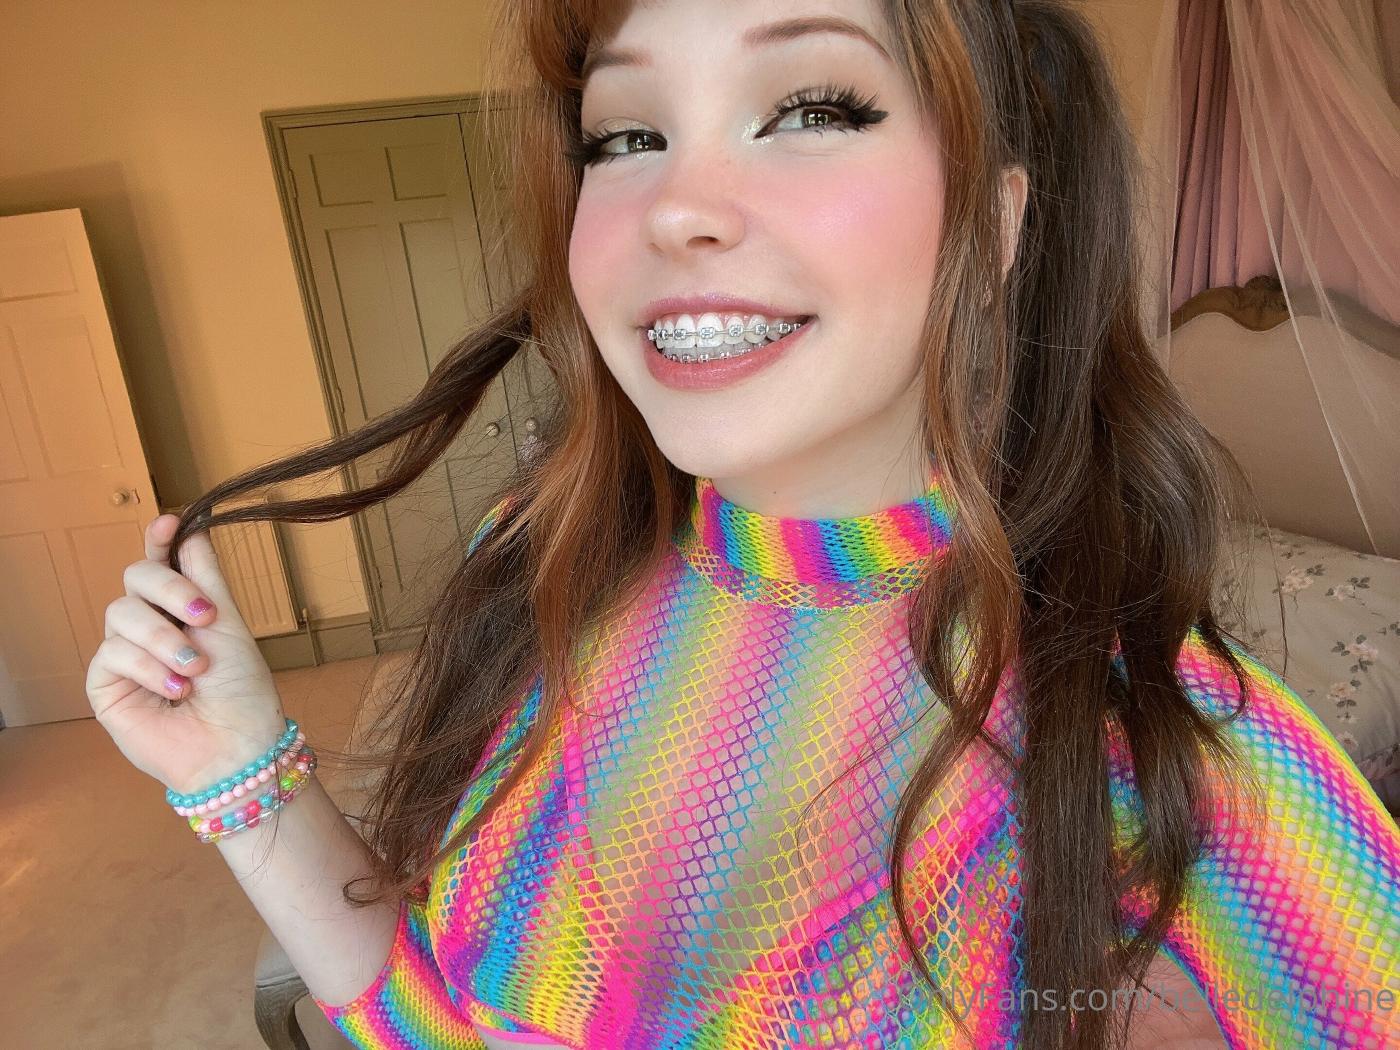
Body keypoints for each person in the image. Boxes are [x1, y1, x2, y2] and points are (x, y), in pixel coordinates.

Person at [86, 0, 1400, 1047]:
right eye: (623, 136)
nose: (675, 207)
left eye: (811, 108)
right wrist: (240, 773)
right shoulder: (537, 568)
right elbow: (436, 1019)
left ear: (995, 222)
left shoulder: (1163, 765)